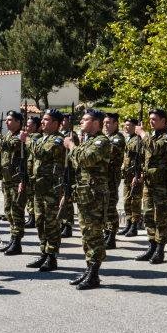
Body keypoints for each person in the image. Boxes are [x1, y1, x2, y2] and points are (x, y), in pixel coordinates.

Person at [64, 108, 111, 290]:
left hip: (95, 196)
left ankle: (94, 273)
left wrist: (71, 147)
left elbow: (85, 159)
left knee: (94, 235)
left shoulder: (101, 141)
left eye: (85, 119)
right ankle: (89, 269)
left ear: (96, 123)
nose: (81, 122)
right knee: (86, 235)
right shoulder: (88, 140)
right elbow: (76, 162)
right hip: (85, 195)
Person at [23, 109, 67, 271]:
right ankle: (43, 253)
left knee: (51, 223)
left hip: (52, 189)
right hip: (39, 187)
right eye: (42, 120)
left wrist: (27, 141)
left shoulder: (57, 140)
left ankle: (52, 256)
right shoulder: (42, 138)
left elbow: (42, 152)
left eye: (46, 120)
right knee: (40, 221)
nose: (42, 122)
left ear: (56, 123)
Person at [134, 109, 167, 263]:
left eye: (154, 119)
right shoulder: (151, 136)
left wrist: (142, 133)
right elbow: (145, 158)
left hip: (162, 184)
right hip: (148, 182)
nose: (151, 121)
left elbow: (155, 148)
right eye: (150, 119)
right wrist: (139, 175)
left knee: (161, 217)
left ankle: (160, 249)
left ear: (163, 121)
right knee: (148, 215)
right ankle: (151, 245)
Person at [0, 110, 28, 255]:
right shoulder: (8, 135)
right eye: (6, 120)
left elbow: (8, 145)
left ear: (18, 122)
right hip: (7, 179)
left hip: (16, 179)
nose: (7, 122)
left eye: (9, 120)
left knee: (17, 211)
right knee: (8, 210)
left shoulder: (20, 136)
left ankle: (17, 242)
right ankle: (12, 239)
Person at [102, 112, 126, 250]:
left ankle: (112, 235)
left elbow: (108, 155)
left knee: (111, 206)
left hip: (111, 176)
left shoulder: (117, 139)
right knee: (105, 206)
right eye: (104, 122)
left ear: (116, 124)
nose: (106, 125)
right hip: (104, 176)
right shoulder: (107, 137)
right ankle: (107, 232)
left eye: (109, 123)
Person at [120, 118, 143, 237]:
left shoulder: (138, 140)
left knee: (135, 201)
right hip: (127, 175)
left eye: (129, 125)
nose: (126, 127)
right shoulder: (129, 139)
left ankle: (134, 226)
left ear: (135, 126)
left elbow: (140, 159)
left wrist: (138, 175)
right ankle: (128, 223)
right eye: (125, 125)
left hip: (135, 174)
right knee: (126, 200)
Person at [59, 115, 80, 237]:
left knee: (67, 198)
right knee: (61, 196)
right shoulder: (62, 134)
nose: (62, 122)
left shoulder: (73, 135)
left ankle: (68, 225)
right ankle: (62, 222)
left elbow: (74, 150)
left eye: (64, 120)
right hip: (62, 168)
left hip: (69, 169)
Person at [23, 116, 41, 228]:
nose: (27, 126)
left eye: (30, 124)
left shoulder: (36, 136)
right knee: (29, 195)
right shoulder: (28, 136)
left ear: (35, 126)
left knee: (32, 195)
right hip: (28, 169)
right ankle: (30, 216)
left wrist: (25, 138)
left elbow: (32, 145)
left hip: (34, 170)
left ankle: (33, 217)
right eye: (27, 124)